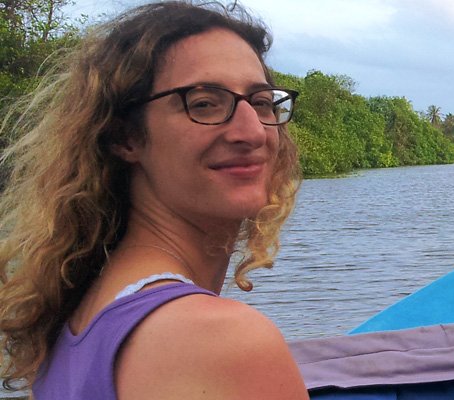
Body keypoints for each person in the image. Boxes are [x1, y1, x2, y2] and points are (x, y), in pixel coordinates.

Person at [0, 2, 308, 398]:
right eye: (204, 103)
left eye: (262, 102)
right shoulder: (216, 340)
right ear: (124, 137)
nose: (252, 131)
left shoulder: (77, 319)